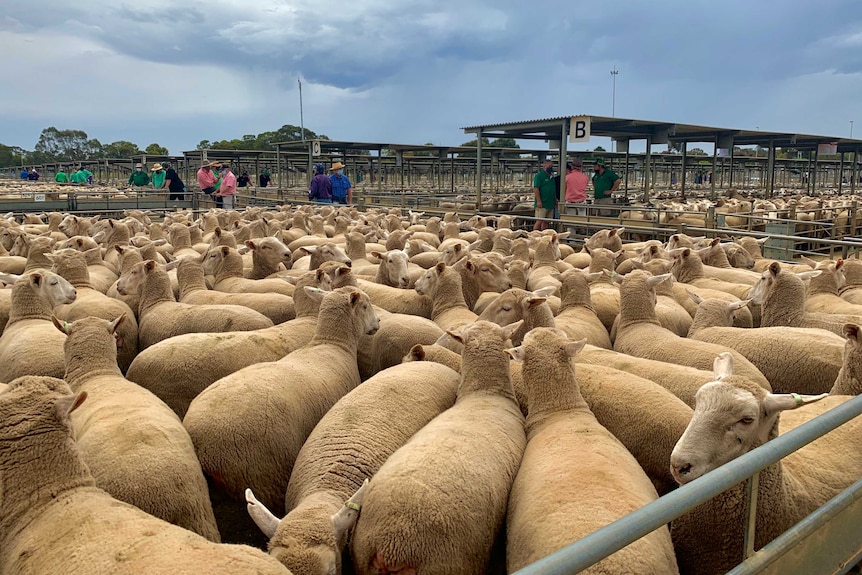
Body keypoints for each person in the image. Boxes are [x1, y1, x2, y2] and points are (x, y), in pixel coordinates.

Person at [532, 158, 557, 231]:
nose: (551, 168)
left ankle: (544, 235)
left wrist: (555, 200)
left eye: (552, 166)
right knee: (539, 221)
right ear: (544, 166)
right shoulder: (539, 176)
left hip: (550, 203)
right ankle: (535, 235)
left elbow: (553, 189)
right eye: (549, 166)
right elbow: (536, 188)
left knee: (547, 221)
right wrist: (539, 201)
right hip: (542, 203)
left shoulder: (552, 177)